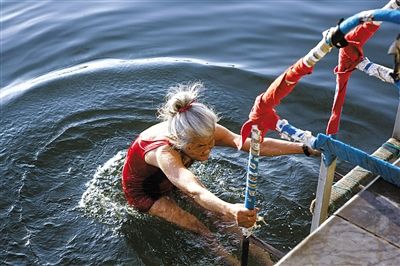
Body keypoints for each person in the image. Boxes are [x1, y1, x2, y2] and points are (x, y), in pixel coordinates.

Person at [122, 82, 318, 236]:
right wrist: (230, 209)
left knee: (222, 220)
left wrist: (305, 148)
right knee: (199, 228)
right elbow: (194, 190)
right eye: (200, 147)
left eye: (210, 142)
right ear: (182, 143)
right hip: (145, 191)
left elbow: (253, 145)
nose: (208, 150)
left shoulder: (203, 130)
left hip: (169, 180)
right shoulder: (164, 153)